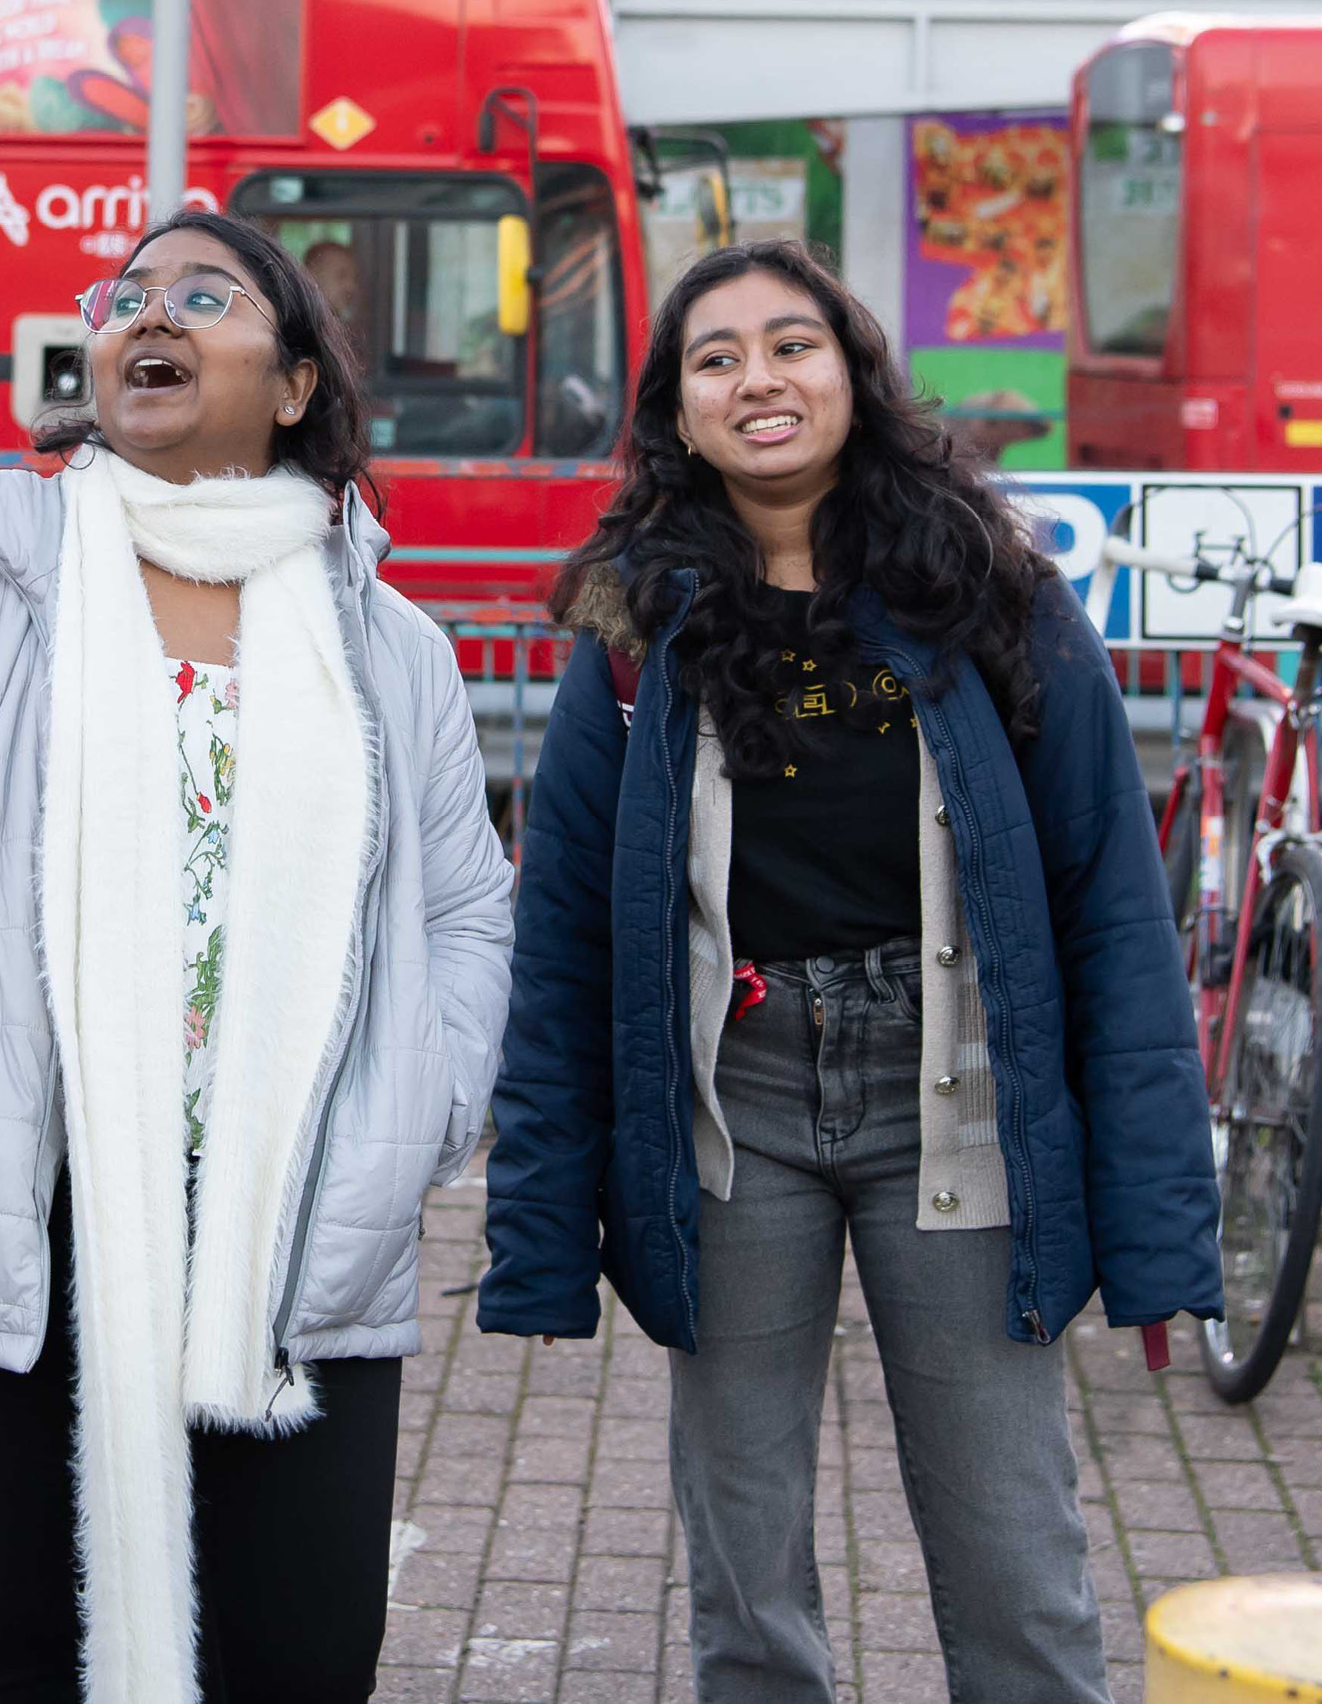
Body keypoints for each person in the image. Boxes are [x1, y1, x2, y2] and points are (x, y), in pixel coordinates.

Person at [0, 211, 514, 1704]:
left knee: (303, 1659)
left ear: (290, 385)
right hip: (19, 1198)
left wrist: (411, 1104)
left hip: (295, 1216)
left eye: (203, 295)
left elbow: (470, 913)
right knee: (41, 1657)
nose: (148, 313)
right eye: (124, 295)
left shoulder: (386, 637)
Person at [481, 238, 1216, 1704]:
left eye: (791, 341)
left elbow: (1114, 915)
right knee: (744, 1566)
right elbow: (563, 936)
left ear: (853, 370)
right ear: (677, 413)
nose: (759, 375)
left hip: (955, 1088)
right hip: (728, 1100)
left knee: (1016, 1555)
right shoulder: (638, 630)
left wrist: (1154, 1232)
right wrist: (543, 1231)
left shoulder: (992, 587)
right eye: (716, 356)